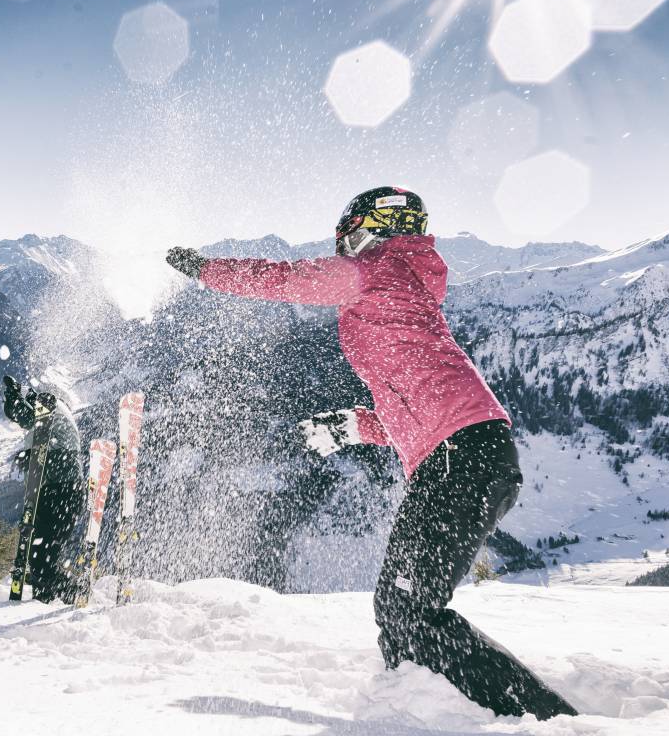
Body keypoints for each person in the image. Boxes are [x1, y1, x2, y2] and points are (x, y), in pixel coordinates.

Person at [165, 187, 578, 720]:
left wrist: (205, 269)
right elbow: (415, 406)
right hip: (467, 453)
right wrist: (352, 427)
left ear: (364, 229)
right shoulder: (404, 279)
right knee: (402, 608)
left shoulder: (373, 268)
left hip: (461, 458)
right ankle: (424, 713)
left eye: (348, 236)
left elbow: (286, 280)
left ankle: (546, 722)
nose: (344, 247)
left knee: (407, 609)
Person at [2, 374, 86, 603]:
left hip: (63, 493)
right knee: (41, 556)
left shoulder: (54, 410)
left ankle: (76, 594)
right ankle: (44, 601)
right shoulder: (53, 417)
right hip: (56, 494)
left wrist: (13, 403)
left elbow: (28, 415)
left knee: (41, 558)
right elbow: (33, 419)